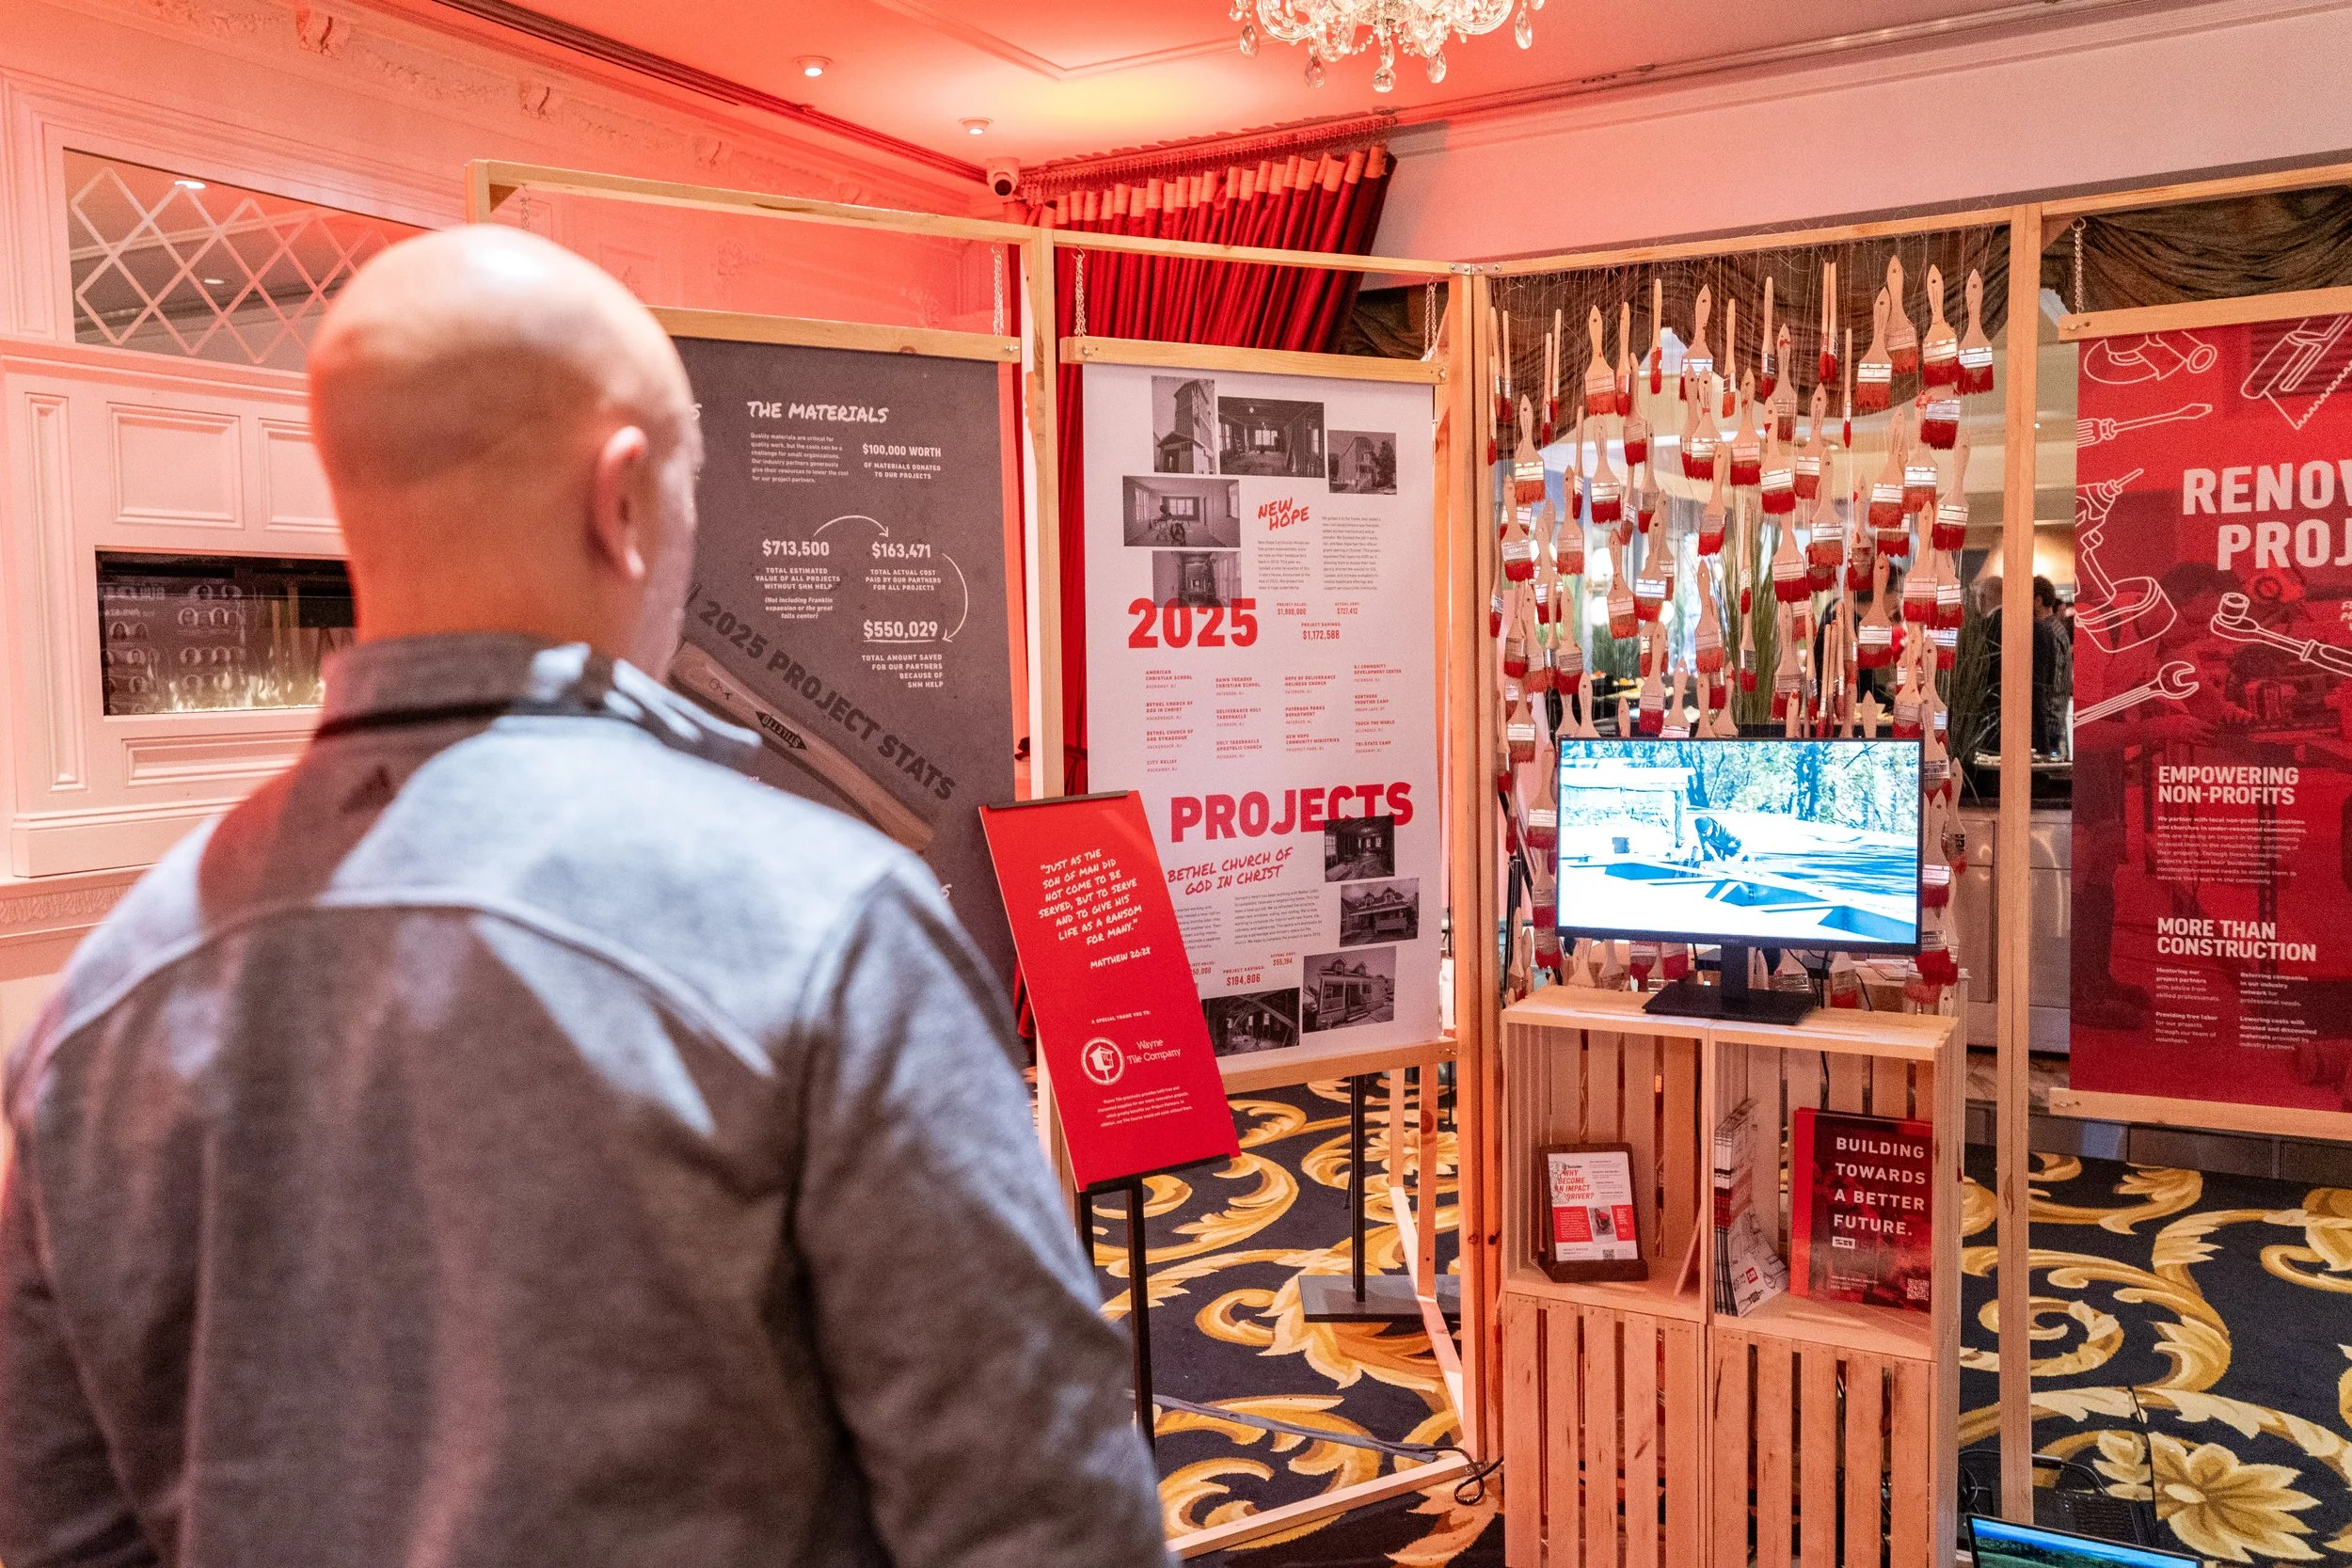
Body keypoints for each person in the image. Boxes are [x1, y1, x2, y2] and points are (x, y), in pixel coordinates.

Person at [0, 227, 1169, 1568]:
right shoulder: (822, 923)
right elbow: (1040, 1519)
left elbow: (57, 1532)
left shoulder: (99, 1005)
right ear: (620, 500)